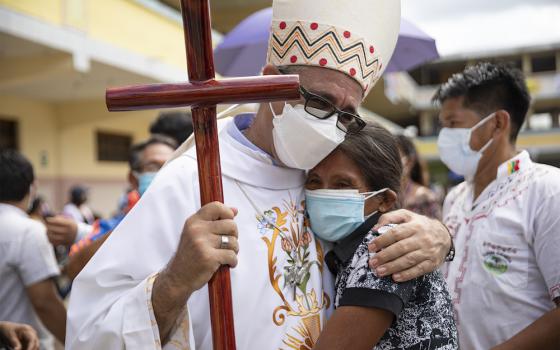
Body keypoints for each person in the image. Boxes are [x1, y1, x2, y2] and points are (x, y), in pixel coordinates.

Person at [66, 1, 453, 348]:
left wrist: (440, 236)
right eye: (319, 102)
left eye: (346, 114)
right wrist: (174, 281)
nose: (330, 125)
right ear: (269, 81)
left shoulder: (318, 175)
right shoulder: (192, 180)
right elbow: (90, 334)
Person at [434, 62, 560, 349]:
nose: (444, 136)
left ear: (498, 124)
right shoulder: (455, 198)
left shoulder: (548, 191)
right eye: (443, 125)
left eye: (453, 124)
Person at [306, 124, 458, 349]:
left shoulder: (384, 246)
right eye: (315, 182)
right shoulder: (352, 246)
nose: (324, 192)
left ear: (384, 200)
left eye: (342, 185)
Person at [65, 135, 176, 280]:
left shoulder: (192, 220)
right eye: (153, 166)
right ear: (133, 178)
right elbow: (73, 269)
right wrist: (131, 227)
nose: (163, 173)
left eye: (171, 165)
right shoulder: (113, 226)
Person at [0, 150, 66, 349]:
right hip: (23, 342)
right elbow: (44, 302)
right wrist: (77, 342)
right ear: (32, 187)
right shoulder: (28, 230)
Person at [396, 135, 442, 219]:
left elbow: (437, 230)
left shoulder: (425, 197)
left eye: (395, 157)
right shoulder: (383, 196)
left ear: (409, 162)